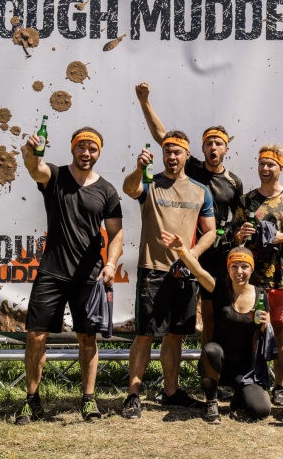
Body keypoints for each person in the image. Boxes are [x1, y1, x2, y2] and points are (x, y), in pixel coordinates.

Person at [16, 127, 124, 425]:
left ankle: (88, 399)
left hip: (89, 277)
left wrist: (111, 264)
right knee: (36, 335)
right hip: (51, 271)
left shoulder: (107, 190)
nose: (86, 153)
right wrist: (31, 153)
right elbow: (34, 168)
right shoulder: (55, 176)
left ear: (99, 152)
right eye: (81, 147)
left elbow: (116, 233)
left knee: (87, 338)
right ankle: (32, 400)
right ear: (72, 148)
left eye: (92, 148)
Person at [134, 82, 243, 346]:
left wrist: (238, 240)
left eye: (218, 143)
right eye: (209, 143)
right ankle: (202, 363)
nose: (213, 148)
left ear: (226, 149)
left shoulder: (234, 182)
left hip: (216, 250)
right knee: (190, 318)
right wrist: (145, 102)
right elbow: (163, 136)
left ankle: (215, 363)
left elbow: (239, 220)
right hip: (184, 250)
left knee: (219, 312)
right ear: (201, 149)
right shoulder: (190, 167)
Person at [121, 132, 216, 419]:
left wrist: (191, 254)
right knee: (145, 335)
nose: (172, 157)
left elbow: (210, 232)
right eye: (167, 152)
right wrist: (139, 168)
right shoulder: (150, 183)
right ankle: (133, 395)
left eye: (177, 152)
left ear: (187, 155)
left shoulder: (201, 190)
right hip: (153, 269)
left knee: (175, 335)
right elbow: (129, 188)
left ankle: (171, 392)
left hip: (184, 274)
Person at [160, 230, 272, 424]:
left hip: (245, 370)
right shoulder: (219, 288)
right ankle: (211, 402)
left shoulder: (260, 295)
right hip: (218, 361)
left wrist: (263, 325)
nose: (239, 272)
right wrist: (182, 250)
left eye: (244, 267)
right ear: (228, 268)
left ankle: (239, 396)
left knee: (260, 410)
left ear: (251, 269)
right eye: (234, 266)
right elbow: (198, 271)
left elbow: (267, 335)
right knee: (211, 350)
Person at [233, 144, 283, 407]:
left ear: (280, 168)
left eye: (271, 165)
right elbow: (233, 235)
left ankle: (278, 385)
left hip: (281, 279)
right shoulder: (246, 200)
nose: (265, 169)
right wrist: (240, 234)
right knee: (249, 331)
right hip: (250, 281)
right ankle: (249, 382)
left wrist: (279, 237)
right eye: (262, 164)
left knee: (280, 331)